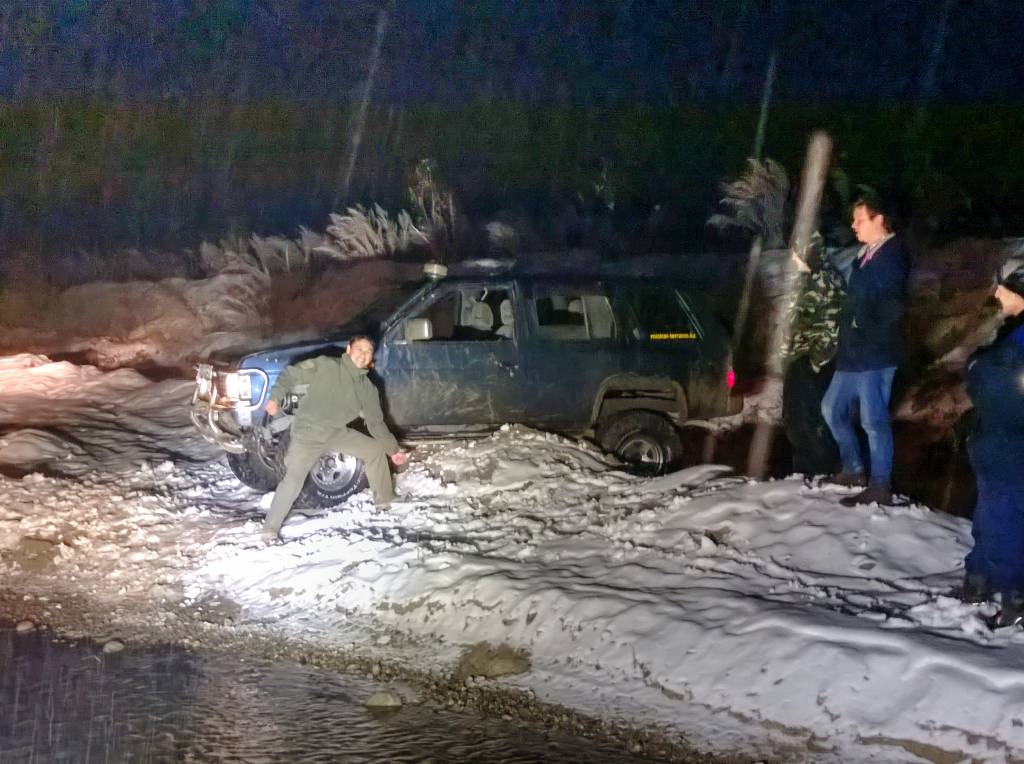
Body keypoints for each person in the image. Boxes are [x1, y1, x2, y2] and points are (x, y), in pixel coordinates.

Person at [260, 336, 408, 543]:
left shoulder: (367, 388)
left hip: (335, 432)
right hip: (308, 433)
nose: (363, 355)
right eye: (359, 349)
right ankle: (270, 530)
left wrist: (392, 450)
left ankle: (384, 500)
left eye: (368, 352)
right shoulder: (326, 365)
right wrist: (275, 397)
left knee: (374, 450)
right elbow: (292, 373)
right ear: (348, 349)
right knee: (293, 479)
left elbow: (376, 423)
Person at [819, 197, 910, 506]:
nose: (853, 225)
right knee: (832, 409)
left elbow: (892, 305)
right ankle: (854, 469)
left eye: (860, 219)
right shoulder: (865, 255)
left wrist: (863, 324)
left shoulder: (893, 255)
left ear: (879, 219)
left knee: (873, 421)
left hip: (875, 354)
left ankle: (880, 485)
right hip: (851, 355)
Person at [960, 257, 1024, 626]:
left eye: (1004, 287)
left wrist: (977, 367)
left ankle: (1014, 595)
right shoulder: (1009, 335)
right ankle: (979, 579)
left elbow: (991, 384)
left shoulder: (1013, 348)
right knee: (992, 511)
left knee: (1005, 516)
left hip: (1008, 442)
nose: (997, 294)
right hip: (997, 440)